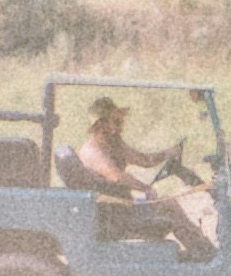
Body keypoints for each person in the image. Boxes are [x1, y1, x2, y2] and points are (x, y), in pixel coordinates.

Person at [65, 93, 214, 258]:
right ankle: (204, 252)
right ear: (101, 125)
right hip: (112, 214)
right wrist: (145, 188)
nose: (121, 126)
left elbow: (143, 159)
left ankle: (201, 250)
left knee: (169, 203)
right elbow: (117, 176)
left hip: (121, 207)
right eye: (116, 122)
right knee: (168, 207)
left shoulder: (113, 143)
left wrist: (167, 153)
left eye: (120, 121)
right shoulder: (92, 151)